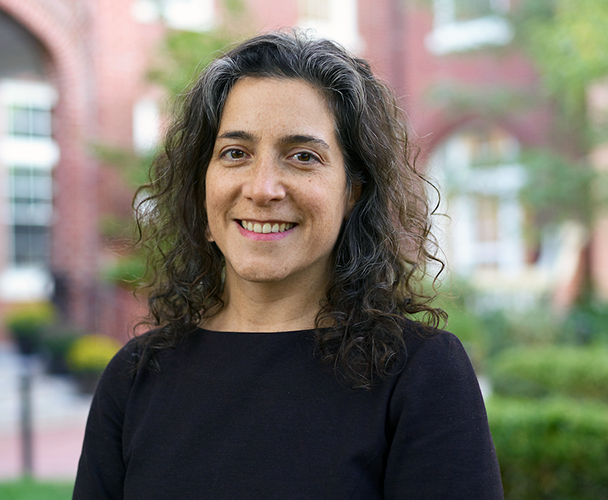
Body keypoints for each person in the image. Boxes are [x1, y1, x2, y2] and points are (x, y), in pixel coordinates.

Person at [72, 30, 503, 499]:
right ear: (203, 188)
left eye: (302, 156)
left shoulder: (419, 375)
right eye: (235, 153)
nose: (262, 188)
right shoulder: (136, 376)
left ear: (351, 194)